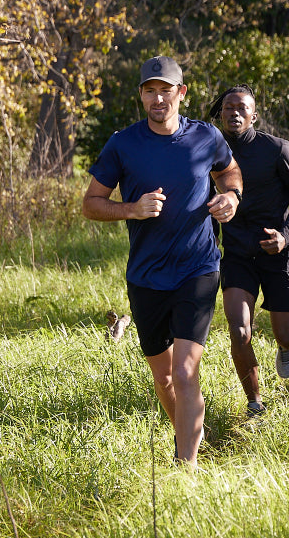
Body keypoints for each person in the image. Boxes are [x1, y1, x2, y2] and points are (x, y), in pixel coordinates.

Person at [82, 56, 243, 467]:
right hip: (146, 277)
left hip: (199, 268)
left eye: (166, 90)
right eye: (150, 91)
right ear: (141, 96)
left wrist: (231, 197)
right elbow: (91, 204)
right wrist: (131, 209)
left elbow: (230, 172)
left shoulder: (206, 137)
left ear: (181, 93)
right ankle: (188, 435)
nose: (158, 98)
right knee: (165, 377)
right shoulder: (123, 144)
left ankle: (185, 468)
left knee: (187, 372)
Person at [209, 84, 289, 418]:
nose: (235, 113)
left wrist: (287, 234)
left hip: (277, 252)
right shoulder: (209, 148)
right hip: (238, 254)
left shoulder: (276, 149)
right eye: (228, 107)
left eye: (242, 107)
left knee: (285, 334)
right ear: (221, 113)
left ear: (254, 114)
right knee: (240, 331)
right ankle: (255, 403)